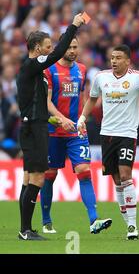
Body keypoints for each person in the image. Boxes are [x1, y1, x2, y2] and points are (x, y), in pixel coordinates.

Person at [77, 44, 139, 240]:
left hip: (127, 134)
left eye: (118, 58)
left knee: (125, 174)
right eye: (112, 57)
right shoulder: (101, 78)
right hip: (107, 135)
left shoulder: (137, 77)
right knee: (116, 180)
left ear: (127, 61)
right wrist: (82, 117)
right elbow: (92, 99)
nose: (114, 61)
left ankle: (132, 226)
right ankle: (127, 224)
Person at [16, 13, 85, 241]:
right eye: (46, 47)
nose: (50, 50)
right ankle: (25, 230)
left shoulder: (35, 73)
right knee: (37, 179)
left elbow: (37, 105)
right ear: (37, 48)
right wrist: (73, 26)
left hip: (35, 126)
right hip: (34, 129)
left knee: (28, 179)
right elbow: (57, 54)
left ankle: (25, 229)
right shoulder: (31, 66)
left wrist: (57, 119)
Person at [40, 37, 112, 235]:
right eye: (69, 47)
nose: (72, 50)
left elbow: (81, 97)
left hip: (76, 130)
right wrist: (61, 118)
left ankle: (93, 220)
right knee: (49, 175)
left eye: (75, 47)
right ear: (61, 48)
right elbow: (47, 101)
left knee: (84, 171)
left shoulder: (81, 69)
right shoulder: (50, 70)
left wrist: (80, 119)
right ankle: (46, 221)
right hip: (54, 131)